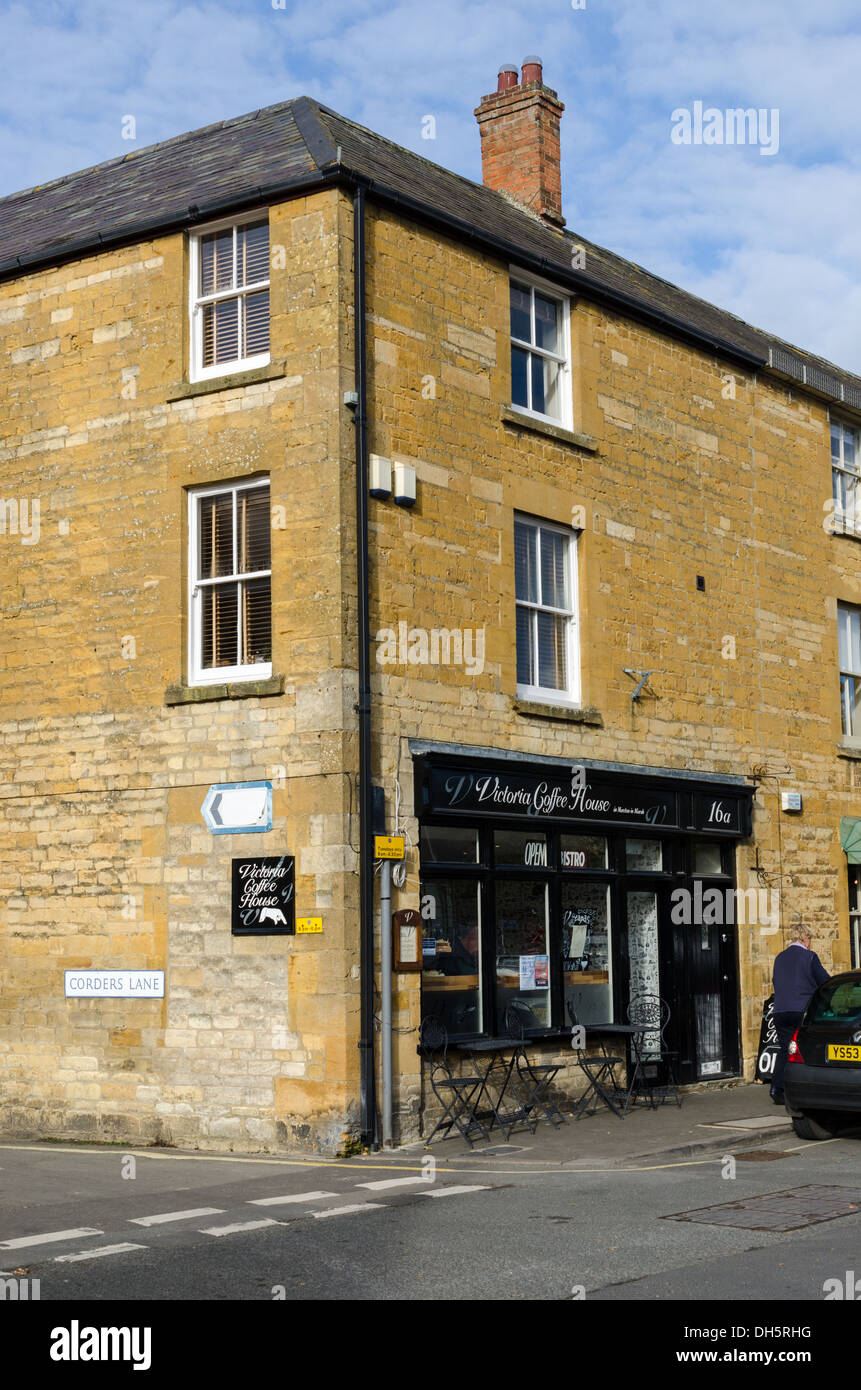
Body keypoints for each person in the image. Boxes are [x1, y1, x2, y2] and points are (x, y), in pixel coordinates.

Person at [770, 925, 829, 1104]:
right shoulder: (809, 957)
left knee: (784, 1049)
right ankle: (807, 1088)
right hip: (801, 1011)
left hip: (780, 1011)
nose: (810, 943)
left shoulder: (779, 957)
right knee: (806, 1048)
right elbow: (825, 981)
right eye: (810, 939)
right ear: (806, 938)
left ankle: (777, 1088)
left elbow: (776, 982)